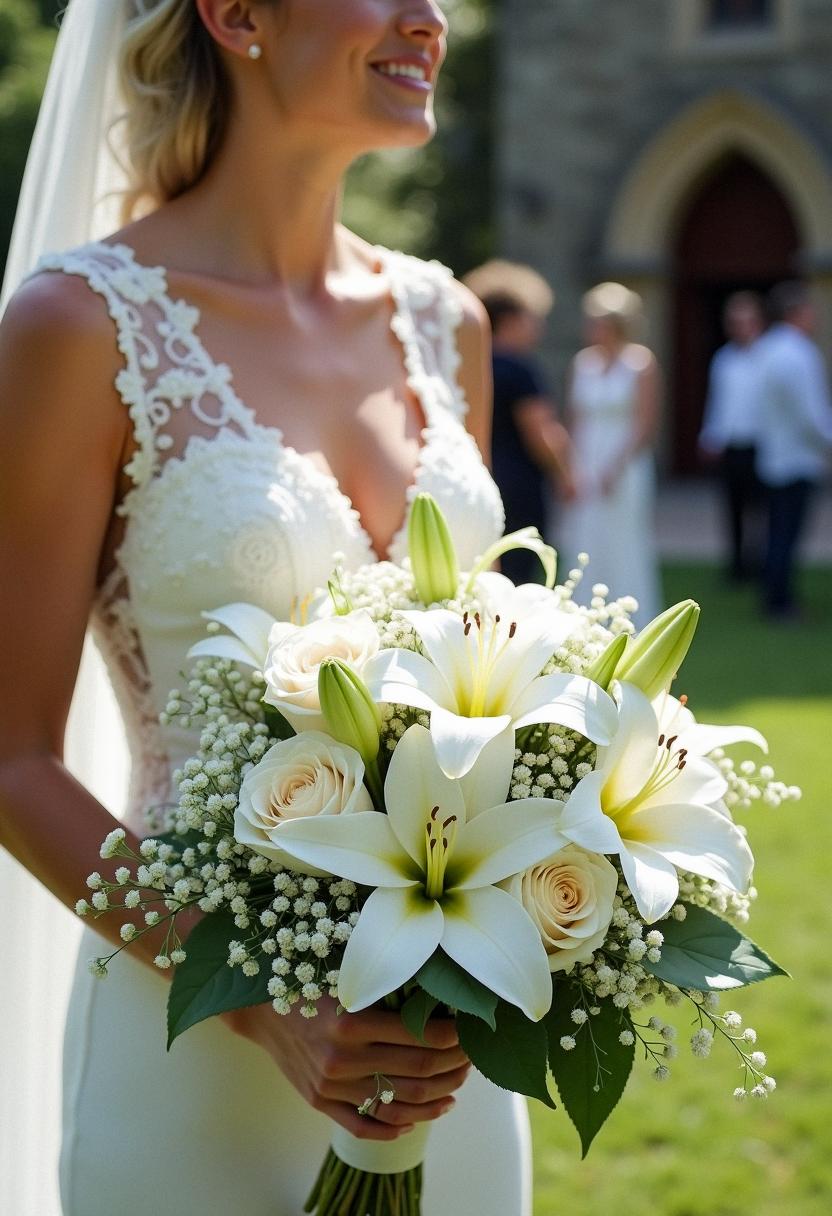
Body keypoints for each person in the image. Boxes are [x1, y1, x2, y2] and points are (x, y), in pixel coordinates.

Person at [0, 2, 531, 1214]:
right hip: (188, 1036)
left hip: (449, 1046)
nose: (430, 19)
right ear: (237, 14)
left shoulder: (446, 325)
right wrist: (262, 997)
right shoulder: (79, 327)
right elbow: (12, 753)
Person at [462, 259, 573, 584]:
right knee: (518, 577)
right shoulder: (520, 368)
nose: (539, 327)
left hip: (477, 477)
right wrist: (565, 475)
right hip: (519, 485)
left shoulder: (466, 365)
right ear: (510, 319)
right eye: (533, 318)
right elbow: (540, 432)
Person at [560, 281, 662, 627]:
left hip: (625, 462)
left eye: (598, 322)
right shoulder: (583, 363)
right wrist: (568, 468)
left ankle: (630, 617)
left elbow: (644, 424)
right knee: (584, 536)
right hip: (587, 457)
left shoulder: (640, 363)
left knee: (624, 539)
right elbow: (574, 419)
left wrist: (615, 467)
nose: (592, 328)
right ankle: (582, 617)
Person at [754, 281, 832, 620]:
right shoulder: (800, 353)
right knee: (786, 534)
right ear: (798, 312)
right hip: (797, 458)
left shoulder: (766, 348)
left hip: (772, 454)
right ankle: (780, 601)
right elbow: (811, 414)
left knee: (775, 530)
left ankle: (773, 594)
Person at [698, 291, 767, 581]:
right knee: (732, 508)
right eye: (735, 322)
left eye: (746, 321)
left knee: (761, 510)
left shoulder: (769, 357)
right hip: (731, 445)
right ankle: (737, 566)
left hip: (762, 445)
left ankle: (761, 563)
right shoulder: (723, 358)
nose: (740, 328)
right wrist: (710, 436)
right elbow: (718, 402)